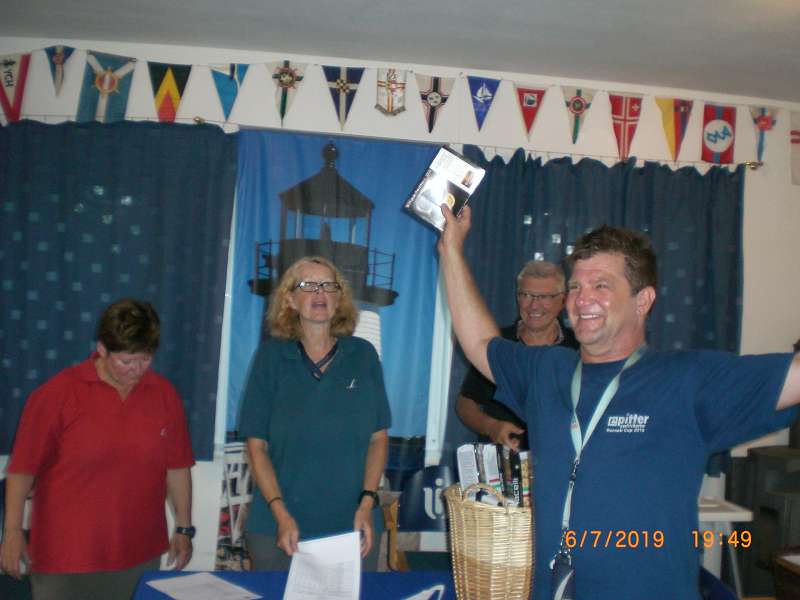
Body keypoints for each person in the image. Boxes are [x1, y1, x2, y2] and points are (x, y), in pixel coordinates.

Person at [437, 206, 800, 600]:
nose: (582, 299)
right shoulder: (547, 371)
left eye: (601, 285)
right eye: (576, 286)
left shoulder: (687, 379)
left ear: (643, 300)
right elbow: (479, 342)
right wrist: (451, 249)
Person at [0, 299, 195, 600]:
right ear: (102, 349)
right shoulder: (57, 394)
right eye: (126, 361)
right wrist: (12, 533)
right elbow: (22, 470)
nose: (136, 370)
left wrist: (184, 528)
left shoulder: (165, 395)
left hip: (138, 553)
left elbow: (177, 468)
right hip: (66, 557)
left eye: (145, 359)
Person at [239, 256, 391, 571]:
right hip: (278, 525)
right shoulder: (270, 357)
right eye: (308, 285)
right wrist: (281, 514)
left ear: (339, 298)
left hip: (353, 522)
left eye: (328, 285)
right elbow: (256, 446)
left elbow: (378, 439)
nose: (319, 292)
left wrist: (367, 503)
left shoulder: (363, 356)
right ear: (290, 300)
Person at [456, 260, 578, 450]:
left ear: (563, 300)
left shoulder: (579, 349)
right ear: (517, 297)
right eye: (526, 295)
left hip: (562, 459)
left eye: (544, 297)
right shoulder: (497, 344)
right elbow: (465, 404)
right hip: (503, 461)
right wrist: (491, 427)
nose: (534, 306)